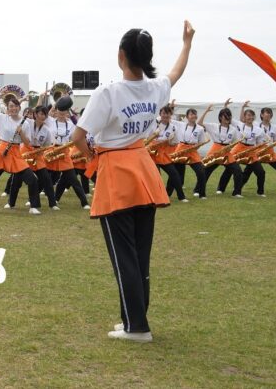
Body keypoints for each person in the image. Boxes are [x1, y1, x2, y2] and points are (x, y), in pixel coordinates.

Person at [72, 20, 195, 342]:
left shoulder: (109, 92)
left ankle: (136, 327)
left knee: (123, 255)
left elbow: (78, 136)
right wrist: (186, 44)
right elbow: (176, 72)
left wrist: (91, 159)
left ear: (121, 55)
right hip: (143, 169)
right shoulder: (155, 88)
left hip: (116, 173)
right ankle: (133, 319)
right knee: (140, 254)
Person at [0, 93, 42, 214]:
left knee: (32, 179)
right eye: (11, 106)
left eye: (15, 106)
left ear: (19, 107)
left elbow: (27, 143)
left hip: (16, 152)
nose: (13, 108)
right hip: (2, 150)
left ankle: (33, 206)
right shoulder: (3, 117)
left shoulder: (25, 123)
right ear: (8, 108)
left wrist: (21, 133)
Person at [199, 99, 244, 197]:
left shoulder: (233, 130)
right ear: (220, 118)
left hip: (226, 153)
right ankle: (198, 190)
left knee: (237, 171)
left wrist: (230, 148)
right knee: (205, 171)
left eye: (229, 116)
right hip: (215, 151)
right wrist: (206, 111)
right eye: (225, 116)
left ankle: (236, 192)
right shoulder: (213, 126)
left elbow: (236, 141)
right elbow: (199, 123)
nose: (227, 118)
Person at [149, 105, 188, 202]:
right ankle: (156, 197)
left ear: (171, 115)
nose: (166, 115)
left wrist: (171, 141)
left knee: (174, 174)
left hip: (163, 154)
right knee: (156, 176)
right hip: (152, 154)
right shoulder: (153, 125)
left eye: (168, 113)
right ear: (160, 114)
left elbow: (173, 143)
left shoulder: (173, 127)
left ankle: (181, 196)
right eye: (164, 113)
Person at [169, 106, 209, 199]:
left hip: (192, 151)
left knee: (201, 172)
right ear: (187, 116)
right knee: (175, 173)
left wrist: (196, 146)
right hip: (181, 149)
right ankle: (168, 194)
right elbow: (169, 118)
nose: (193, 116)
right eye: (191, 114)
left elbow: (201, 142)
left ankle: (201, 193)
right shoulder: (180, 124)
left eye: (195, 114)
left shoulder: (200, 129)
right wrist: (171, 107)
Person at [249, 107, 276, 194]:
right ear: (262, 115)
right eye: (267, 113)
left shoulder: (275, 127)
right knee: (248, 171)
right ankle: (237, 189)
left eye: (270, 113)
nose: (269, 114)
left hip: (270, 152)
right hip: (257, 151)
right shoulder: (255, 125)